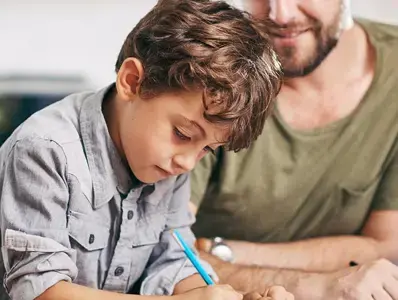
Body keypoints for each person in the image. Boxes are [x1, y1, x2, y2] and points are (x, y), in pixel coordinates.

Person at [0, 1, 292, 300]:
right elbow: (39, 291)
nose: (188, 162)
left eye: (208, 149)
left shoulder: (168, 163)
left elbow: (173, 261)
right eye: (182, 133)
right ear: (132, 82)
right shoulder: (44, 151)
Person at [190, 0, 398, 299]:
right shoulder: (214, 74)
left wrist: (228, 251)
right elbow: (164, 253)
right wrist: (320, 286)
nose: (281, 15)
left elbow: (386, 247)